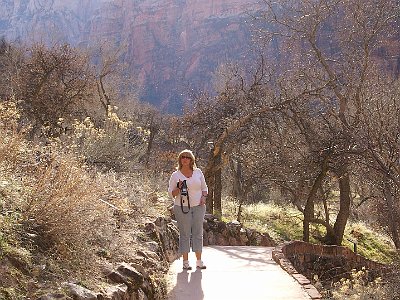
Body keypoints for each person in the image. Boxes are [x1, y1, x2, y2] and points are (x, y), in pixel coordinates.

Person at [168, 149, 208, 270]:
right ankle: (185, 262)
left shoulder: (198, 172)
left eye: (188, 157)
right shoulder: (175, 175)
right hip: (181, 207)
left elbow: (204, 188)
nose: (185, 159)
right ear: (180, 159)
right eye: (183, 157)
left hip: (198, 207)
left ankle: (199, 261)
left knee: (198, 233)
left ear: (191, 160)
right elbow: (172, 193)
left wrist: (204, 197)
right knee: (185, 234)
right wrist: (179, 188)